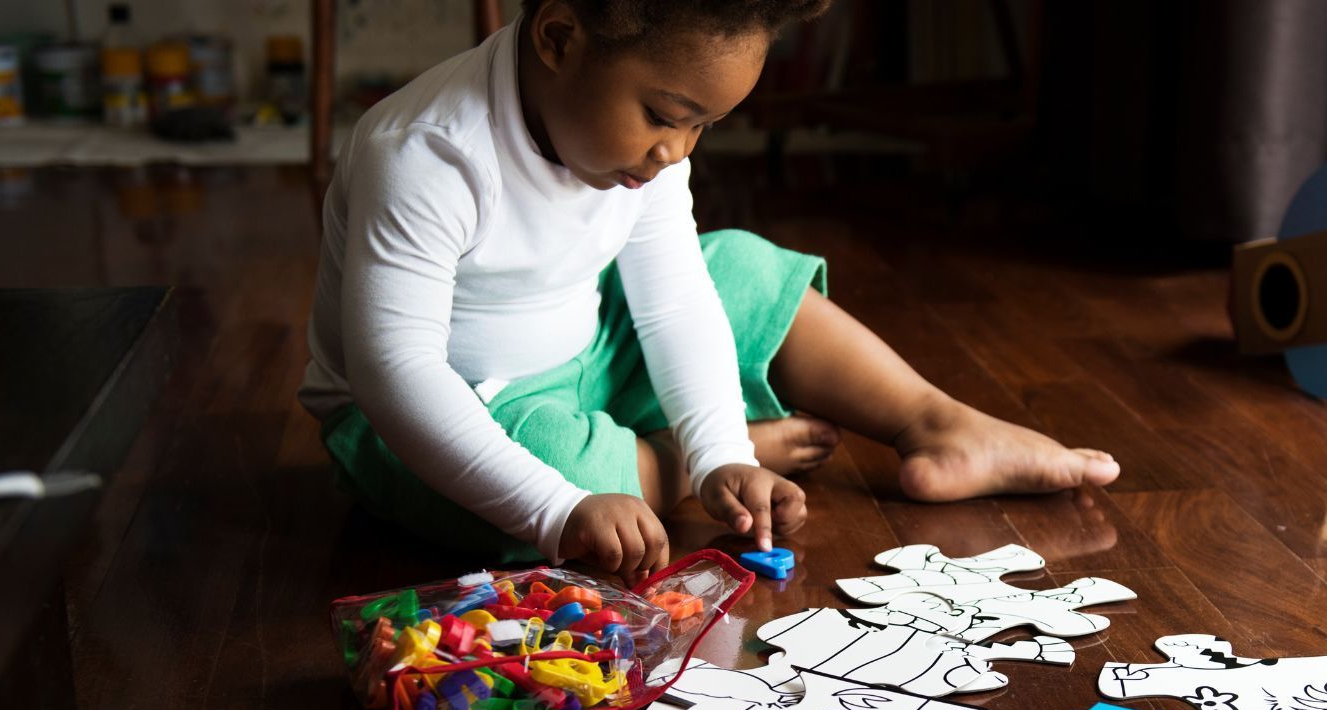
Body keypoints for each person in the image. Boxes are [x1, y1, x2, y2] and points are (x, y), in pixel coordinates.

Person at [301, 0, 1118, 581]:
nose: (676, 150)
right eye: (666, 115)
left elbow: (673, 299)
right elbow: (394, 373)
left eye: (702, 126)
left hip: (581, 344)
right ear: (558, 38)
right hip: (433, 413)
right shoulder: (428, 153)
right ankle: (662, 461)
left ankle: (932, 422)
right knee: (564, 472)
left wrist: (722, 444)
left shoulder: (640, 148)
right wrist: (555, 509)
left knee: (742, 267)